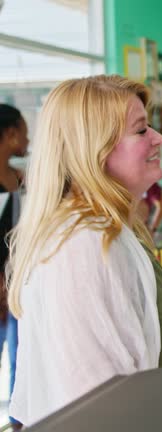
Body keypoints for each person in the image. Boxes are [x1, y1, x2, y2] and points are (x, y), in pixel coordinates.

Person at [5, 76, 162, 426]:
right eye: (141, 131)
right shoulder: (83, 245)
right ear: (95, 150)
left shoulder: (113, 230)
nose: (159, 137)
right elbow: (101, 403)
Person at [0, 104, 29, 432]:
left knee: (20, 359)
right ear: (9, 136)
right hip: (1, 290)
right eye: (23, 130)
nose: (27, 137)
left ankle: (18, 422)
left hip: (18, 286)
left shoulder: (20, 180)